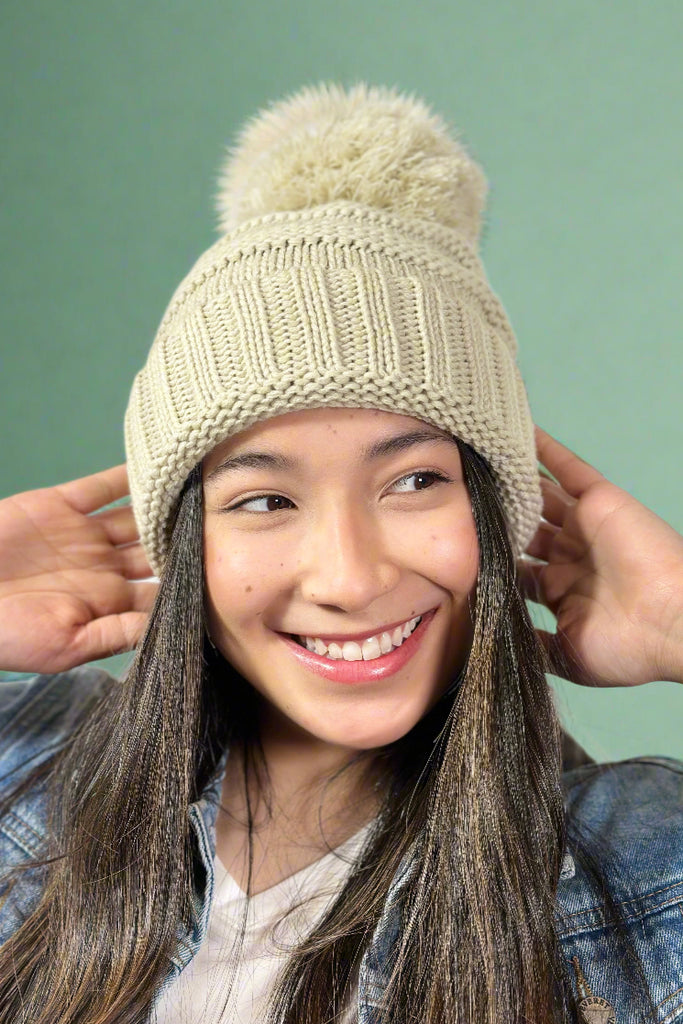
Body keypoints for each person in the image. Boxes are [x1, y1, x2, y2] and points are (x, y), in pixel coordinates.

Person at [0, 83, 682, 1024]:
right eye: (265, 499)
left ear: (494, 511)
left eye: (413, 482)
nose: (351, 577)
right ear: (186, 544)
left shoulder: (647, 862)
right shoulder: (27, 763)